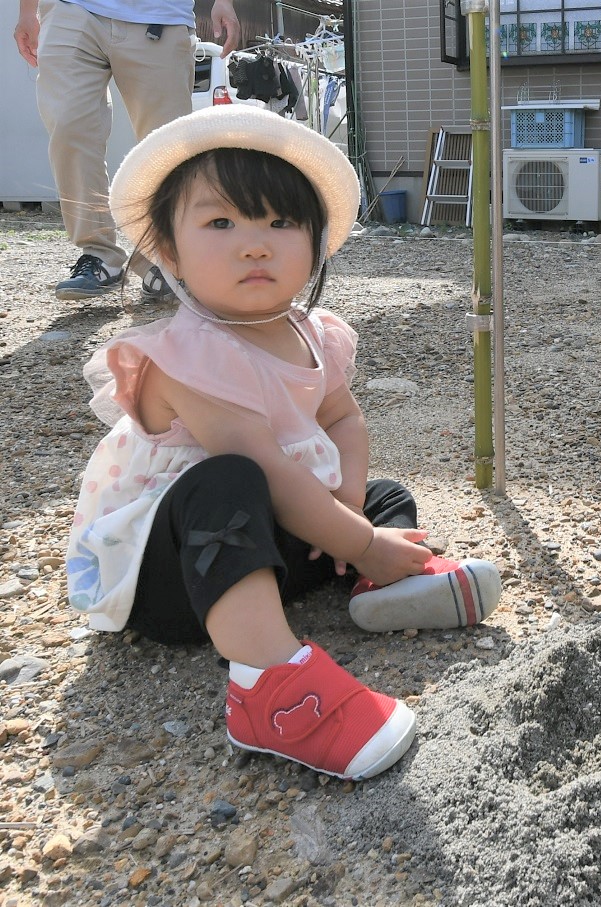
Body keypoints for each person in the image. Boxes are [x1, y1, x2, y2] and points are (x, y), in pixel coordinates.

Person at [64, 106, 504, 780]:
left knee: (384, 492)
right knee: (230, 478)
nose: (254, 244)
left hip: (265, 543)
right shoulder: (187, 356)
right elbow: (267, 470)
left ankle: (374, 584)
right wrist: (354, 535)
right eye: (221, 222)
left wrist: (353, 514)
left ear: (316, 241)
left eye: (280, 222)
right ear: (169, 250)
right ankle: (268, 686)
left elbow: (343, 420)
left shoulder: (311, 332)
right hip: (176, 574)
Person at [13, 0, 240, 303]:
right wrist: (27, 11)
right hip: (73, 10)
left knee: (164, 145)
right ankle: (99, 253)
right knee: (69, 126)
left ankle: (166, 256)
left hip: (159, 16)